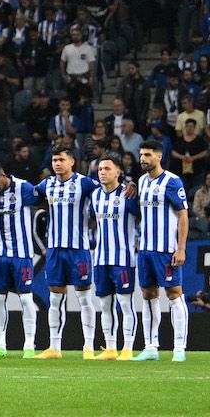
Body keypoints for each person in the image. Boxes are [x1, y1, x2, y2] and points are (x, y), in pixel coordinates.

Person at [35, 147, 99, 359]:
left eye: (61, 159)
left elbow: (110, 188)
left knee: (84, 298)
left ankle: (88, 347)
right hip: (54, 250)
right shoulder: (47, 184)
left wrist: (129, 187)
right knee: (55, 299)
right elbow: (27, 195)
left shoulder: (85, 183)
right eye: (54, 160)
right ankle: (54, 347)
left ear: (72, 162)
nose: (57, 163)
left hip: (78, 249)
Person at [0, 159, 41, 358]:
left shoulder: (24, 188)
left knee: (26, 297)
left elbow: (45, 201)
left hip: (22, 253)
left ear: (3, 175)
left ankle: (29, 345)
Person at [132, 143, 189, 362]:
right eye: (141, 155)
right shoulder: (141, 181)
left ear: (159, 156)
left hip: (166, 250)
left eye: (147, 155)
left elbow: (183, 215)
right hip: (145, 250)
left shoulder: (172, 181)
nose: (143, 159)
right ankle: (150, 347)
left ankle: (179, 348)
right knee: (148, 294)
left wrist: (181, 248)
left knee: (174, 294)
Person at [90, 155, 137, 359]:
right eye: (100, 169)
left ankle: (127, 348)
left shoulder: (128, 194)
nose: (102, 172)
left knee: (125, 304)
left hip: (123, 259)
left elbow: (141, 218)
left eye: (107, 169)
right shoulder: (95, 195)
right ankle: (110, 348)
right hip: (101, 259)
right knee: (104, 305)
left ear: (118, 172)